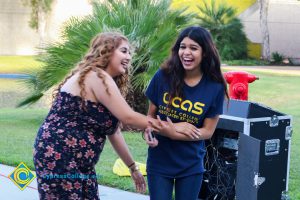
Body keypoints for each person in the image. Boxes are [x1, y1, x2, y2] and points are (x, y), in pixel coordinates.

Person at [33, 31, 162, 199]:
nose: (129, 57)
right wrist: (171, 127)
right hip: (59, 156)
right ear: (106, 51)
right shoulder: (96, 76)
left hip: (82, 163)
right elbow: (128, 117)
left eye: (129, 53)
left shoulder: (104, 81)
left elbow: (114, 131)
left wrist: (132, 168)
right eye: (124, 51)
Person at [144, 26, 229, 200]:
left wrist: (173, 133)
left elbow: (208, 131)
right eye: (183, 47)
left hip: (190, 164)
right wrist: (174, 128)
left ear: (205, 52)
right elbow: (150, 118)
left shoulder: (215, 86)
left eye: (193, 48)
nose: (186, 52)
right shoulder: (162, 76)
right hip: (159, 162)